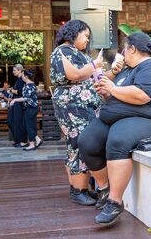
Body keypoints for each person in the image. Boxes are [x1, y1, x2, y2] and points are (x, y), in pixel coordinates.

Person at [78, 32, 151, 226]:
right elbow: (117, 96)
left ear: (132, 49)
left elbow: (142, 95)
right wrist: (107, 92)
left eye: (124, 49)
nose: (122, 53)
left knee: (119, 138)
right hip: (117, 117)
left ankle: (115, 201)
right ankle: (104, 189)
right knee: (87, 141)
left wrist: (112, 89)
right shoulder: (127, 70)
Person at [50, 19, 123, 206]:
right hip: (72, 107)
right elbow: (74, 75)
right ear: (74, 33)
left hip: (84, 107)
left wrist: (113, 72)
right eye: (86, 36)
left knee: (81, 144)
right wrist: (95, 64)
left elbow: (98, 78)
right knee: (78, 144)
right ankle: (78, 191)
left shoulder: (79, 54)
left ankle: (81, 189)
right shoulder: (61, 51)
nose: (87, 41)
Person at [10, 69, 43, 151]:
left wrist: (15, 100)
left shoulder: (29, 85)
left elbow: (26, 98)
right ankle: (37, 140)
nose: (22, 77)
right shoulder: (28, 85)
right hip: (30, 108)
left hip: (31, 108)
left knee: (28, 125)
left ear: (26, 76)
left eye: (23, 76)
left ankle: (32, 144)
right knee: (28, 125)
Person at [8, 64, 27, 148]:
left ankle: (22, 141)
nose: (13, 72)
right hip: (16, 103)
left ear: (19, 70)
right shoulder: (19, 79)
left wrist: (11, 90)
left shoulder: (21, 79)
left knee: (18, 122)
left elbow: (20, 92)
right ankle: (18, 140)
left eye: (14, 70)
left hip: (19, 103)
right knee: (11, 121)